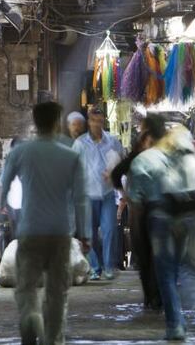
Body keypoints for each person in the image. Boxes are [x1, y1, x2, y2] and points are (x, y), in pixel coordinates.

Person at [0, 101, 91, 345]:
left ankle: (30, 319)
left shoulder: (20, 153)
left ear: (36, 122)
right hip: (60, 232)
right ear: (56, 122)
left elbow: (4, 187)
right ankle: (52, 338)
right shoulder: (71, 155)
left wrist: (2, 206)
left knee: (27, 287)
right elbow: (81, 199)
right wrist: (85, 234)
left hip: (30, 230)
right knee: (57, 292)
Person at [128, 125, 195, 341]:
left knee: (166, 275)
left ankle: (175, 323)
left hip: (160, 220)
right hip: (184, 221)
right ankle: (187, 297)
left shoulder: (146, 159)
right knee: (177, 266)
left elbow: (135, 195)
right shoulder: (190, 159)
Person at [111, 114, 166, 310]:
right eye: (149, 142)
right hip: (140, 213)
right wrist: (125, 194)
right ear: (143, 142)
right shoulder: (134, 158)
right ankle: (149, 295)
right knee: (143, 256)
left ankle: (157, 295)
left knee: (158, 256)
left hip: (159, 212)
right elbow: (116, 174)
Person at [73, 106, 124, 280]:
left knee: (109, 230)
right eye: (94, 121)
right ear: (89, 121)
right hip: (87, 195)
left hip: (107, 194)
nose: (97, 124)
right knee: (90, 234)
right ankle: (95, 267)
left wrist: (114, 173)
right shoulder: (80, 144)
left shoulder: (112, 141)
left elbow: (122, 162)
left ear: (103, 122)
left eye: (100, 121)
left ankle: (109, 266)